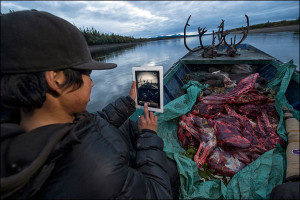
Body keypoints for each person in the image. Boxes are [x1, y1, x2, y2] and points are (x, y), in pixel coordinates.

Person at [0, 10, 179, 199]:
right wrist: (149, 136)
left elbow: (94, 121)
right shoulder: (98, 172)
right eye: (87, 74)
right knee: (172, 171)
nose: (92, 83)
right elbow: (158, 194)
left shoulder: (53, 120)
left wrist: (128, 103)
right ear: (56, 79)